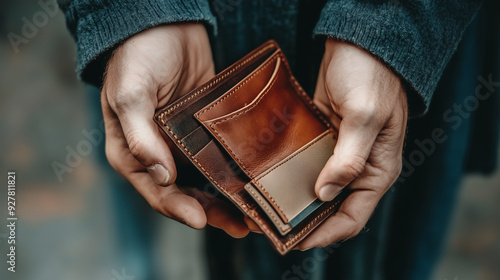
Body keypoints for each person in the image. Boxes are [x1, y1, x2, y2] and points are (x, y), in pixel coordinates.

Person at [59, 0, 499, 279]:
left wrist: (390, 23)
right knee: (141, 152)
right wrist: (128, 13)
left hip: (401, 67)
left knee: (395, 245)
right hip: (168, 56)